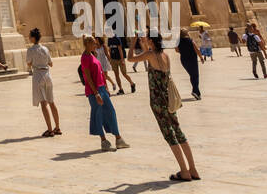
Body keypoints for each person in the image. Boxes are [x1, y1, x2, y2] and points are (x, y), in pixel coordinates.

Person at [128, 33, 201, 181]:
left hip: (158, 102)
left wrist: (133, 42)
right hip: (169, 100)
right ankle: (193, 169)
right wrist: (145, 43)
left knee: (169, 135)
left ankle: (184, 171)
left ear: (151, 41)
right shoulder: (165, 56)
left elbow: (130, 58)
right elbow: (151, 57)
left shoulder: (149, 54)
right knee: (178, 132)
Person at [81, 36, 127, 151]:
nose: (96, 46)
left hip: (102, 88)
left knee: (111, 112)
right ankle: (104, 141)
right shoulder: (85, 58)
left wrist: (106, 87)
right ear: (87, 44)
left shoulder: (93, 55)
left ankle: (118, 139)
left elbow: (101, 72)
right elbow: (88, 77)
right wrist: (96, 94)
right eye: (94, 44)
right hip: (93, 91)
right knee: (98, 115)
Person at [27, 28, 59, 137]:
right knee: (51, 101)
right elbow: (51, 63)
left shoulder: (30, 50)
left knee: (43, 103)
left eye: (30, 36)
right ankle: (57, 127)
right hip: (47, 74)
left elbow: (28, 63)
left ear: (33, 37)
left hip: (38, 75)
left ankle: (50, 130)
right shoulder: (45, 49)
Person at [175, 29, 201, 100]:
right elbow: (197, 50)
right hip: (192, 59)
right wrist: (201, 58)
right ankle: (195, 91)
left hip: (184, 60)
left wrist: (183, 52)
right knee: (195, 75)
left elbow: (176, 50)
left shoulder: (178, 41)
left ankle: (197, 92)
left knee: (192, 75)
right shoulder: (190, 40)